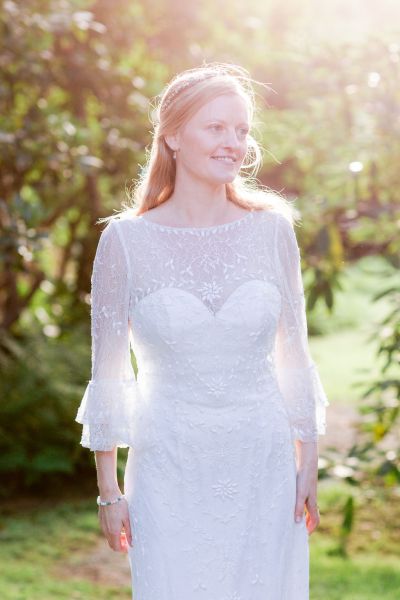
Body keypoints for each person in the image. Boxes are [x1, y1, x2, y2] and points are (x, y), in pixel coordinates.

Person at [75, 62, 329, 599]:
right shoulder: (125, 242)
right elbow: (109, 374)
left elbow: (295, 357)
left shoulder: (273, 230)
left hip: (262, 462)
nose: (233, 142)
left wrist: (308, 464)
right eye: (216, 128)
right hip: (170, 464)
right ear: (172, 136)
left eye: (241, 130)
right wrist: (108, 489)